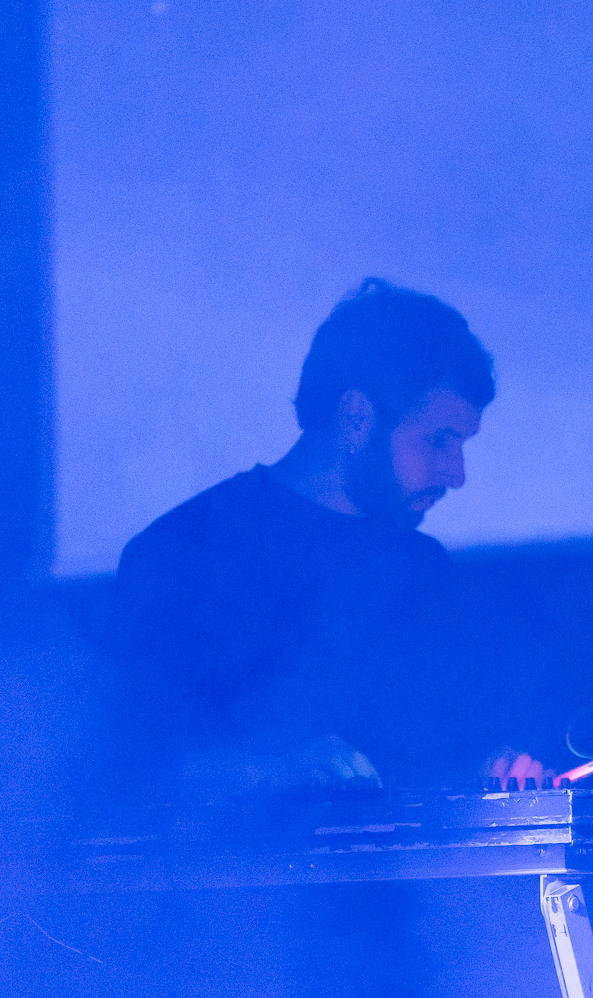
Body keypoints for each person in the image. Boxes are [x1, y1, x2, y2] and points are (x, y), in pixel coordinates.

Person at [101, 278, 545, 807]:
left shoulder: (425, 571)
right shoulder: (180, 553)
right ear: (356, 418)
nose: (457, 473)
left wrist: (489, 770)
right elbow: (130, 771)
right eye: (438, 442)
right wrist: (268, 776)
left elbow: (445, 751)